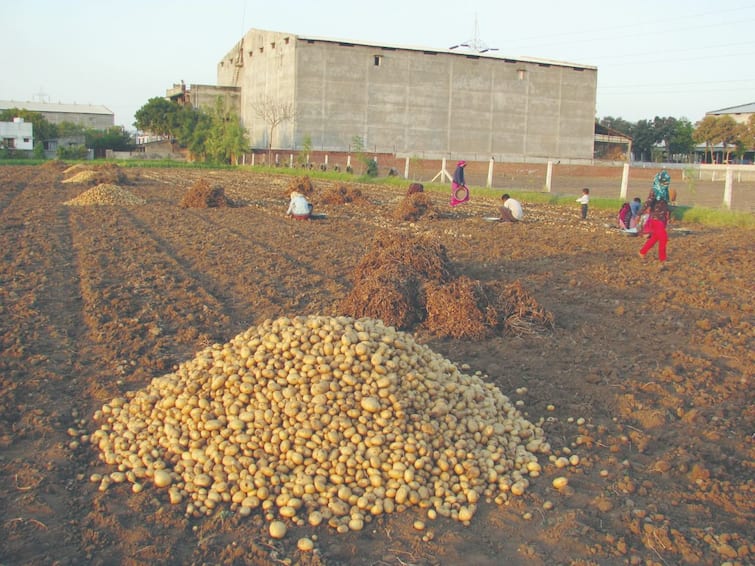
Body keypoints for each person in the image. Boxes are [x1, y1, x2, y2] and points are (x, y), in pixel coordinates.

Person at [638, 196, 671, 266]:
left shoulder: (664, 190)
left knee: (655, 238)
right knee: (663, 239)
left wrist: (668, 217)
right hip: (656, 219)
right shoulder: (655, 190)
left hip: (661, 219)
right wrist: (639, 214)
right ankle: (663, 259)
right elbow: (648, 202)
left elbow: (665, 205)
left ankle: (642, 252)